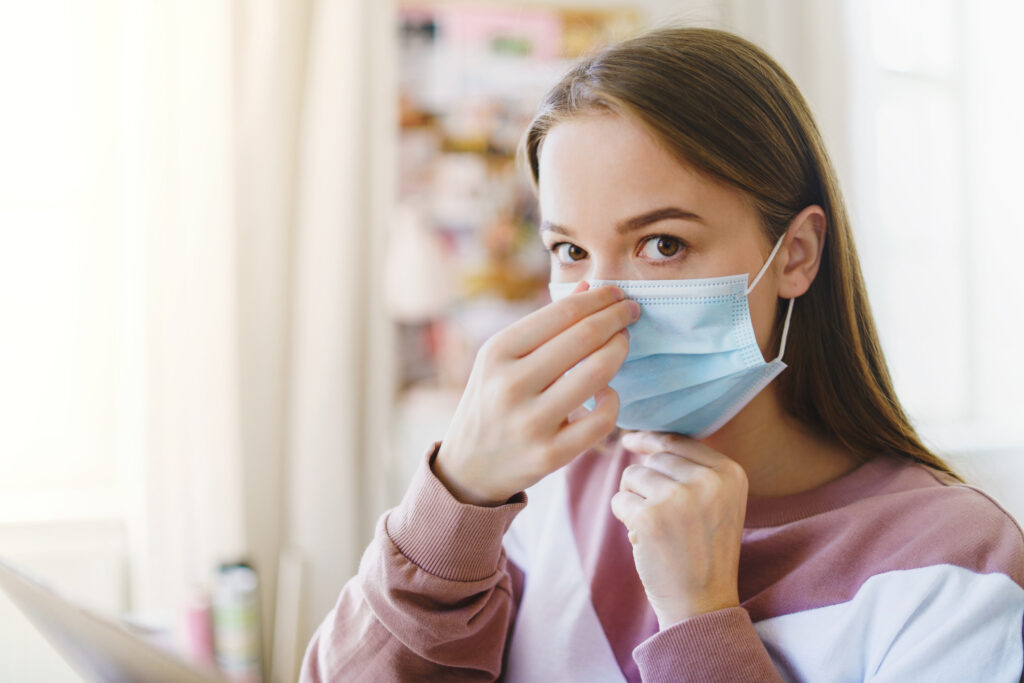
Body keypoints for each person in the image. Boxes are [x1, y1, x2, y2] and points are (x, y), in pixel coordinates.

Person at [299, 27, 1024, 682]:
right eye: (571, 250)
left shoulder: (955, 562)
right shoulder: (542, 498)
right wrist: (452, 499)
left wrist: (701, 621)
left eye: (662, 244)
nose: (604, 301)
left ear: (796, 255)